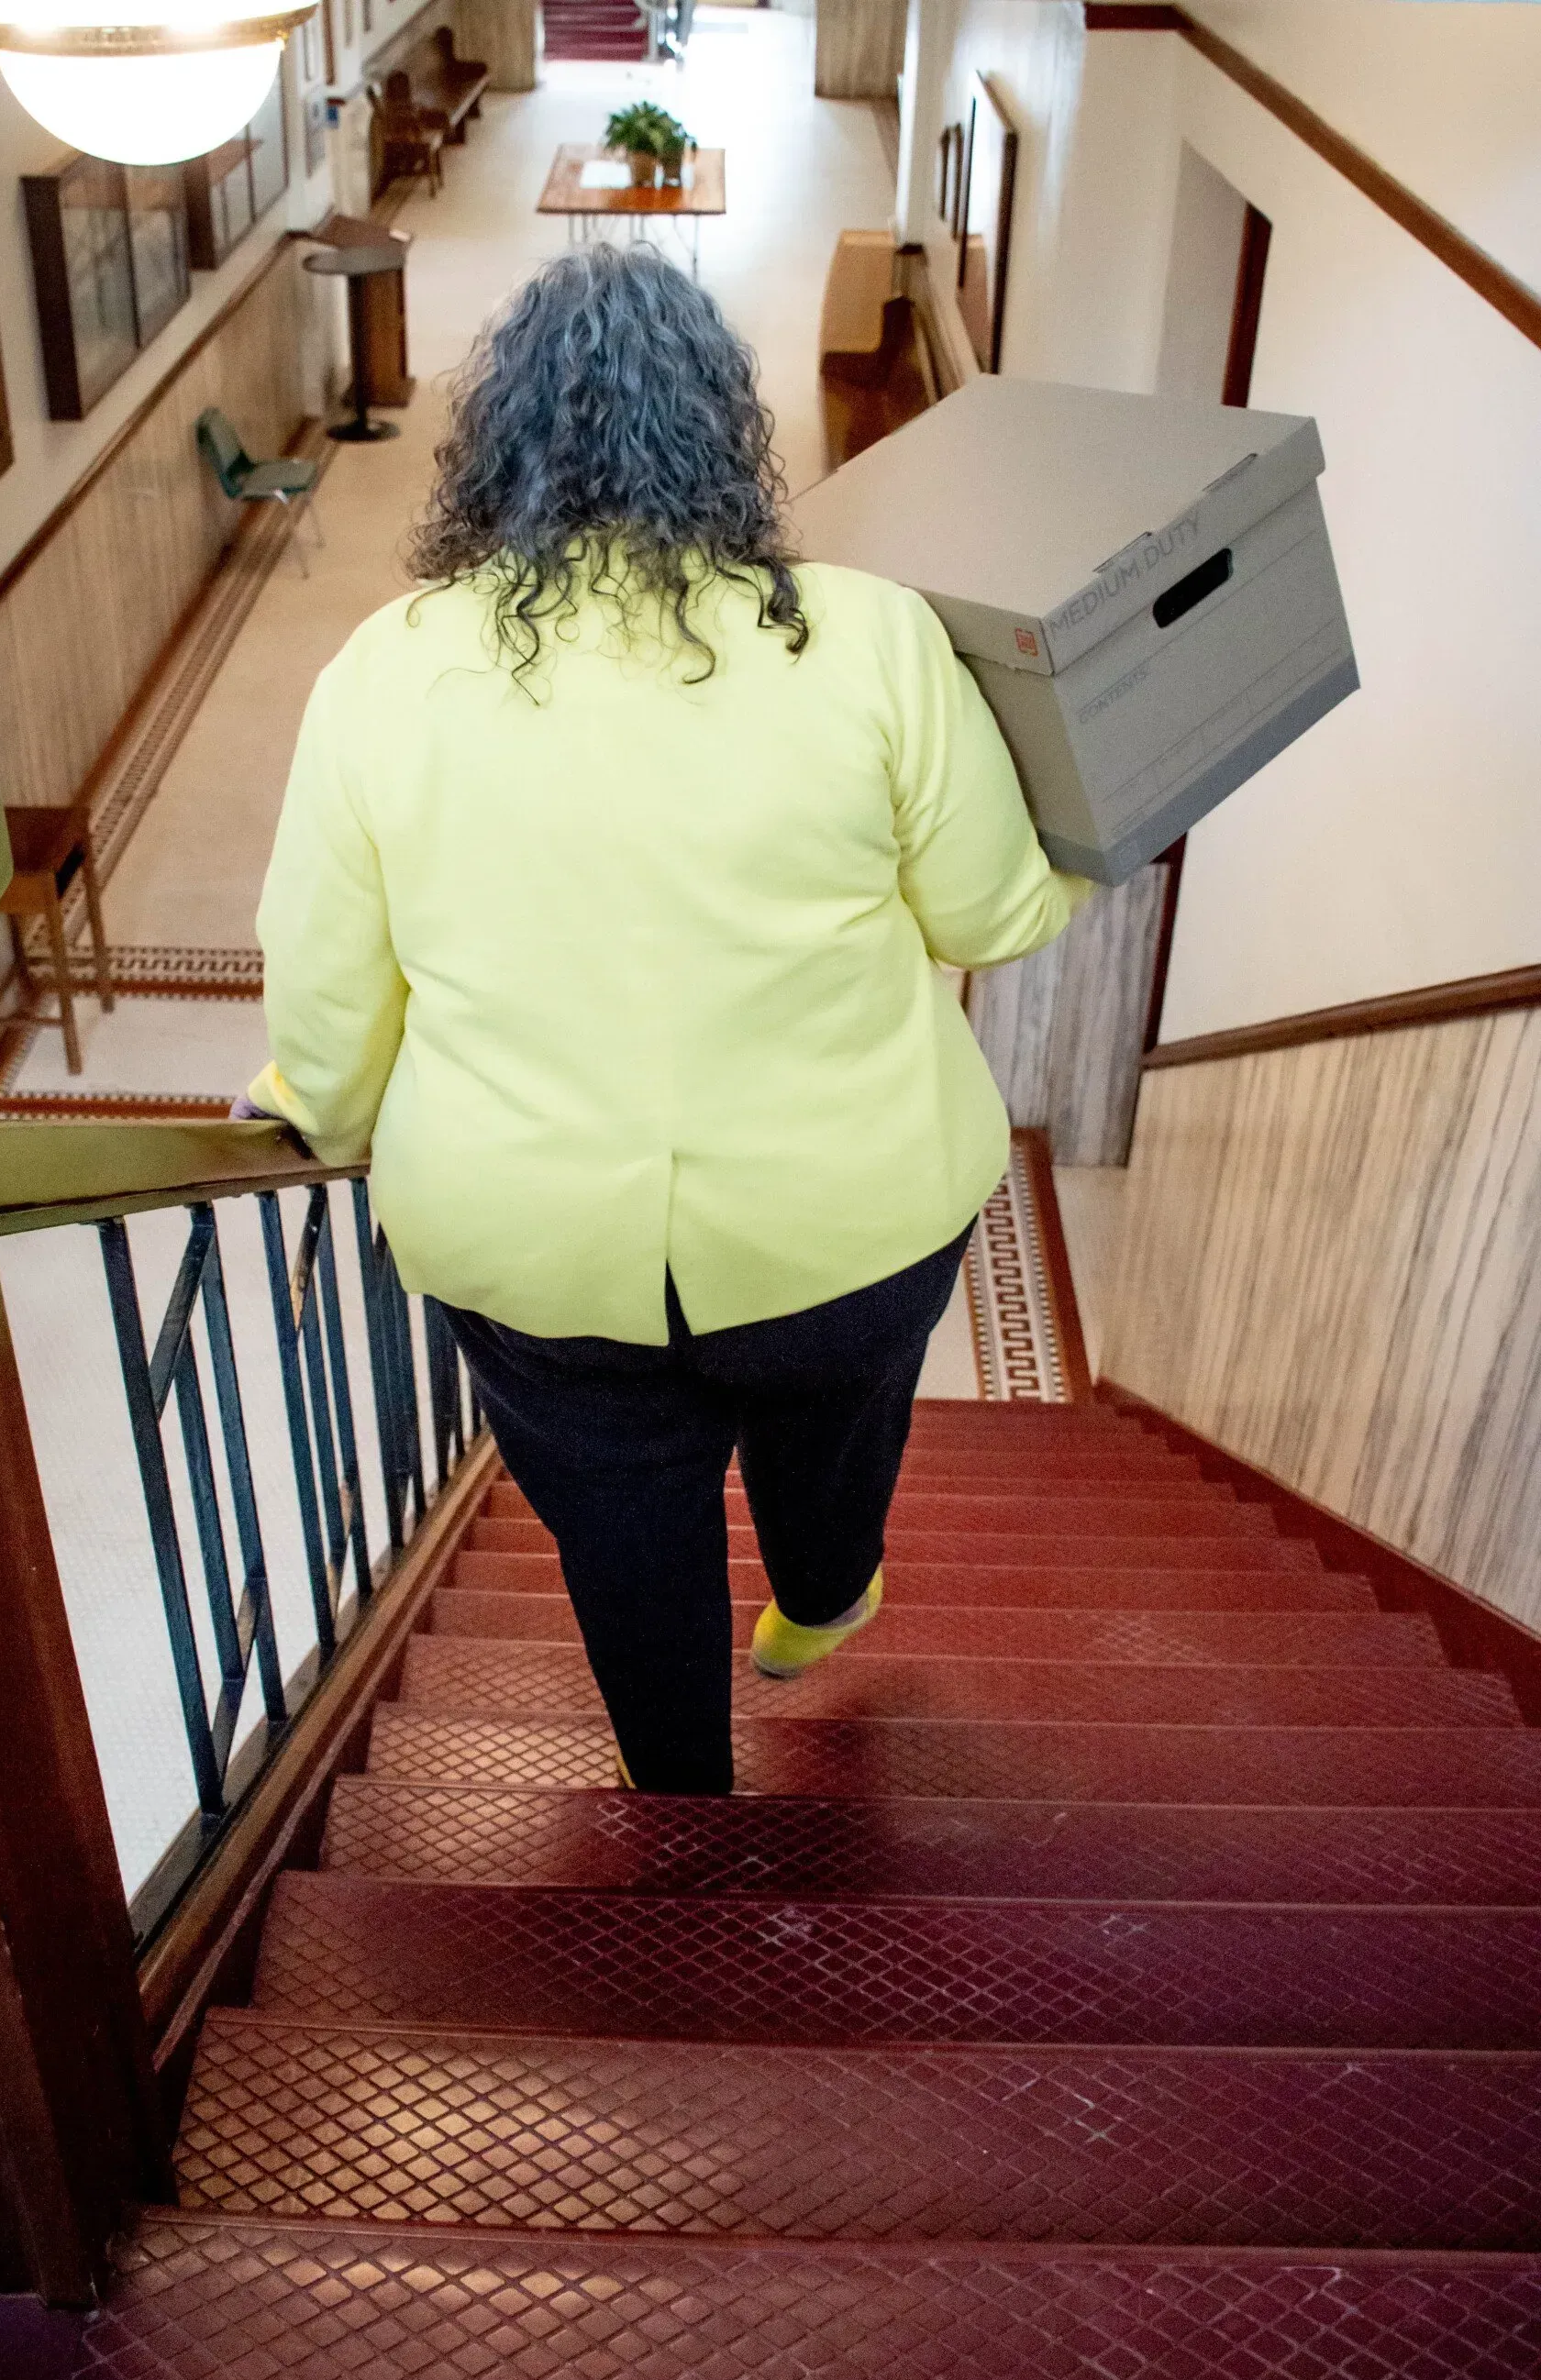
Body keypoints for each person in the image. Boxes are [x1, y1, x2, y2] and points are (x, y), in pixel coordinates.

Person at [243, 243, 1089, 1794]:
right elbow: (990, 917)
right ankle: (823, 1596)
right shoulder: (869, 636)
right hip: (853, 1213)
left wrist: (324, 1108)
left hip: (535, 1247)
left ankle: (679, 1798)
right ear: (722, 429)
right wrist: (1096, 846)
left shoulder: (381, 676)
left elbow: (330, 1000)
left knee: (624, 1544)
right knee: (837, 1437)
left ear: (496, 445)